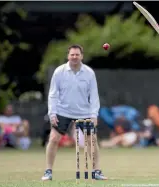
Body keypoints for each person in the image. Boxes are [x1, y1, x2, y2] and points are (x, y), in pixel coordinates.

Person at [41, 44, 107, 181]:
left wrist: (94, 114)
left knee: (92, 141)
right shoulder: (59, 71)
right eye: (72, 55)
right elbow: (53, 94)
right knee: (53, 139)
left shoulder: (89, 73)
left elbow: (94, 95)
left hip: (84, 112)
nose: (75, 57)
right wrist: (52, 113)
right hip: (62, 111)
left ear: (81, 56)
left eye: (77, 55)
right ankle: (48, 171)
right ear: (68, 56)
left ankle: (96, 171)